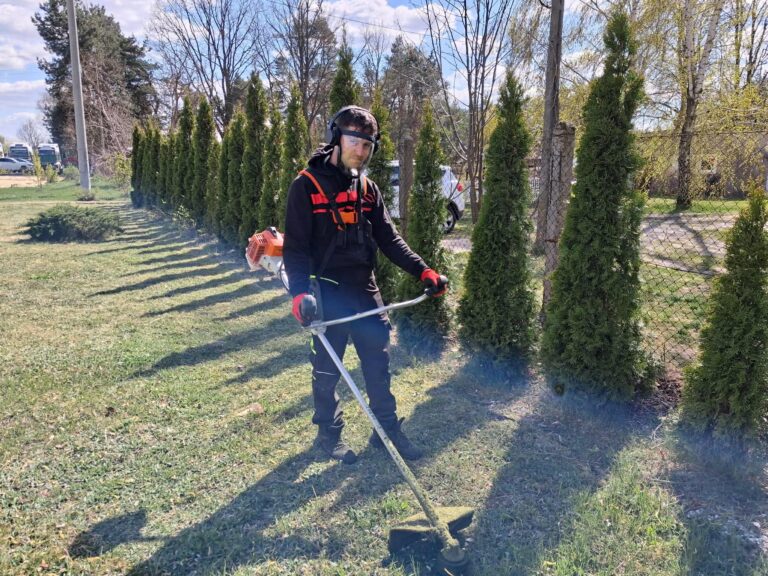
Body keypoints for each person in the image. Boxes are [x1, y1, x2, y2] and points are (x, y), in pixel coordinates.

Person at [282, 105, 448, 465]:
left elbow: (389, 239)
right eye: (355, 141)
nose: (361, 150)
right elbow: (294, 249)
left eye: (368, 144)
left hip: (365, 289)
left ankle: (385, 430)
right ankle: (329, 435)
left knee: (378, 362)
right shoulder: (305, 186)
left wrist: (424, 271)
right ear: (336, 139)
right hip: (325, 292)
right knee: (327, 371)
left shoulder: (368, 189)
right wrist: (299, 295)